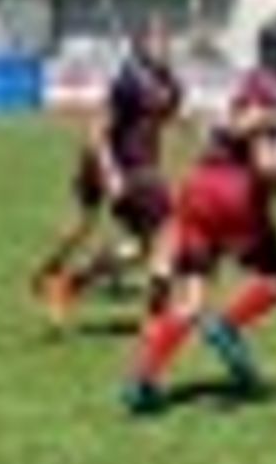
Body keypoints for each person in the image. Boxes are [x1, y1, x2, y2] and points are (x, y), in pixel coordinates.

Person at [120, 13, 276, 414]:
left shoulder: (250, 81)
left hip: (198, 189)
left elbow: (227, 131)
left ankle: (142, 382)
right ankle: (227, 326)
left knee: (190, 298)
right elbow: (263, 165)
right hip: (234, 194)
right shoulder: (270, 93)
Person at [29, 19, 184, 330]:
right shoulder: (128, 82)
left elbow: (164, 123)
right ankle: (155, 321)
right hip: (124, 170)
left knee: (145, 245)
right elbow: (97, 130)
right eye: (155, 39)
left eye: (166, 39)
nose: (163, 46)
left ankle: (70, 283)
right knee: (162, 237)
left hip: (141, 171)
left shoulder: (171, 83)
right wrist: (111, 172)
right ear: (140, 44)